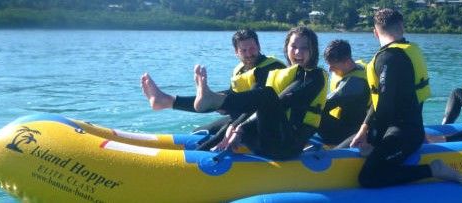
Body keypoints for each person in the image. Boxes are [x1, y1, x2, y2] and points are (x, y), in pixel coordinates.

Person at [347, 8, 462, 188]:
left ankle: (433, 169)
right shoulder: (407, 52)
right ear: (402, 27)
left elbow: (385, 106)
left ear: (375, 33)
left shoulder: (388, 58)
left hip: (405, 135)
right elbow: (380, 101)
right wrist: (364, 128)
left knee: (368, 177)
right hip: (405, 128)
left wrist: (374, 143)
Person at [192, 27, 327, 160]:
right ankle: (198, 153)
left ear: (313, 50)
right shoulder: (286, 74)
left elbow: (283, 102)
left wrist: (241, 127)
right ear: (287, 48)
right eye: (294, 46)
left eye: (304, 48)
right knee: (243, 111)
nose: (298, 52)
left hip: (287, 148)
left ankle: (216, 101)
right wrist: (236, 126)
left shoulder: (316, 76)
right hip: (265, 140)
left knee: (266, 94)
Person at [140, 29, 286, 137]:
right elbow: (235, 97)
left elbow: (257, 102)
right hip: (241, 117)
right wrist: (223, 104)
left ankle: (167, 101)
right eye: (243, 50)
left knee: (214, 105)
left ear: (259, 46)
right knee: (198, 133)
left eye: (252, 48)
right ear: (236, 52)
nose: (249, 54)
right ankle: (166, 101)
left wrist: (235, 124)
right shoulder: (239, 70)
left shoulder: (271, 67)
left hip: (267, 125)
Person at [317, 40, 370, 147]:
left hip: (354, 131)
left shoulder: (354, 83)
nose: (330, 69)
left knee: (314, 111)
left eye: (333, 66)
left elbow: (323, 105)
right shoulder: (355, 66)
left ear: (347, 62)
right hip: (343, 121)